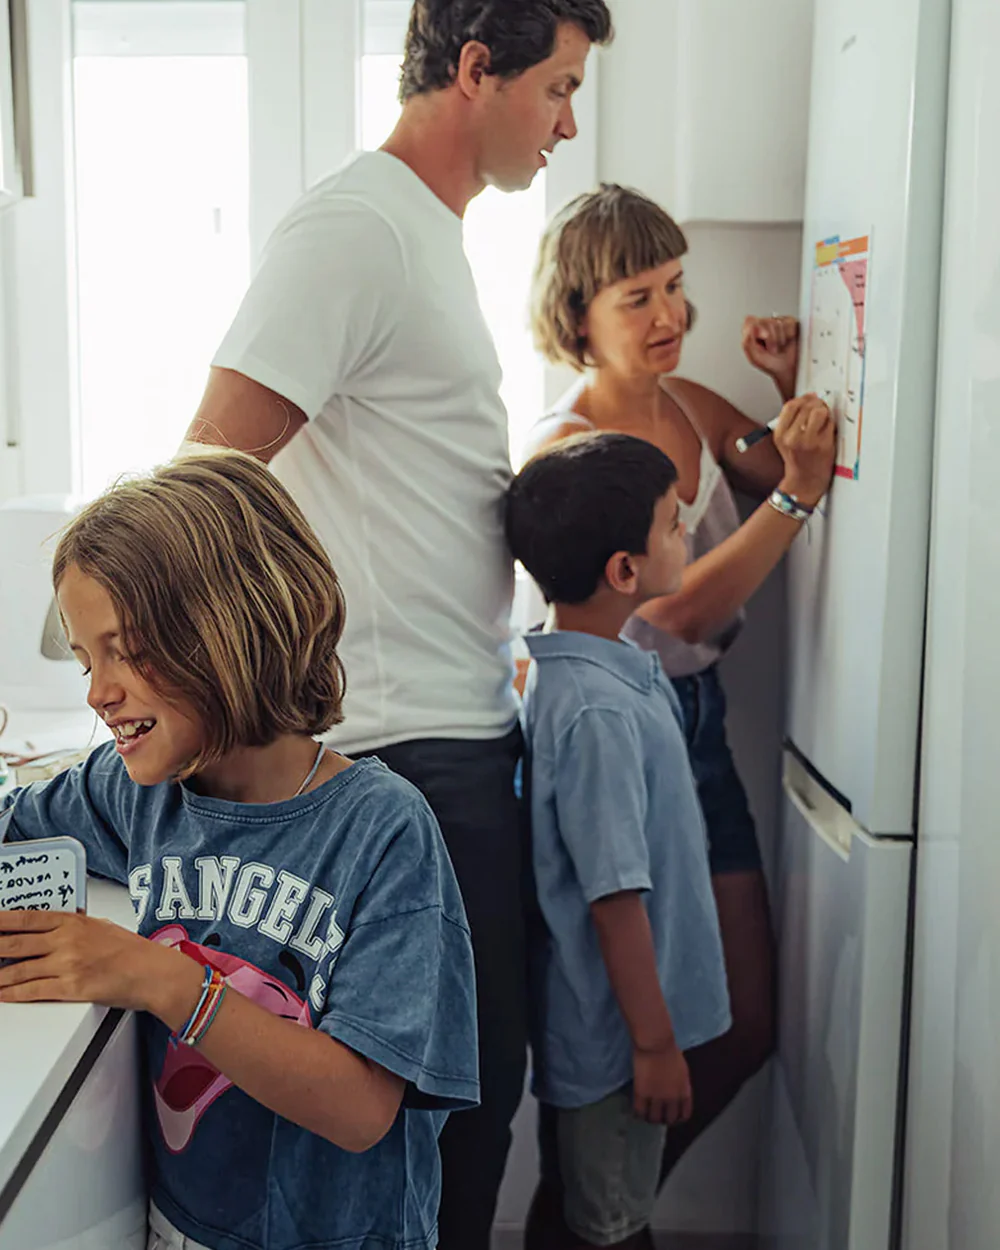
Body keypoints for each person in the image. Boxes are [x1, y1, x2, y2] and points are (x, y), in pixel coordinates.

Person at [181, 4, 614, 1245]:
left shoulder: (421, 235)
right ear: (475, 67)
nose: (567, 124)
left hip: (454, 735)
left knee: (468, 1104)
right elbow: (211, 470)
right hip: (399, 755)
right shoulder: (355, 228)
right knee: (443, 1114)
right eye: (557, 88)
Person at [0, 451, 479, 1250]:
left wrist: (152, 975)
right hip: (179, 1227)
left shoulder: (382, 830)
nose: (97, 692)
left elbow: (360, 1110)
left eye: (125, 650)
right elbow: (15, 819)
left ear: (232, 623)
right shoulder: (134, 791)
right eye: (88, 661)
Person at [526, 183, 836, 1186]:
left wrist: (794, 382)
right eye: (635, 298)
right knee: (631, 1017)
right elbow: (673, 614)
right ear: (577, 314)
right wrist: (795, 493)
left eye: (674, 286)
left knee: (745, 1024)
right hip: (624, 739)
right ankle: (596, 1212)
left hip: (697, 726)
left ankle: (613, 1202)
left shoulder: (688, 405)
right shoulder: (568, 451)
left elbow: (768, 455)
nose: (669, 317)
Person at [505, 432, 731, 1250]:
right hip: (615, 1042)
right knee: (610, 1226)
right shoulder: (595, 711)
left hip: (616, 1034)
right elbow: (613, 897)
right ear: (624, 572)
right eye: (675, 526)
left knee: (581, 1205)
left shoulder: (605, 672)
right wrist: (655, 1044)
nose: (687, 538)